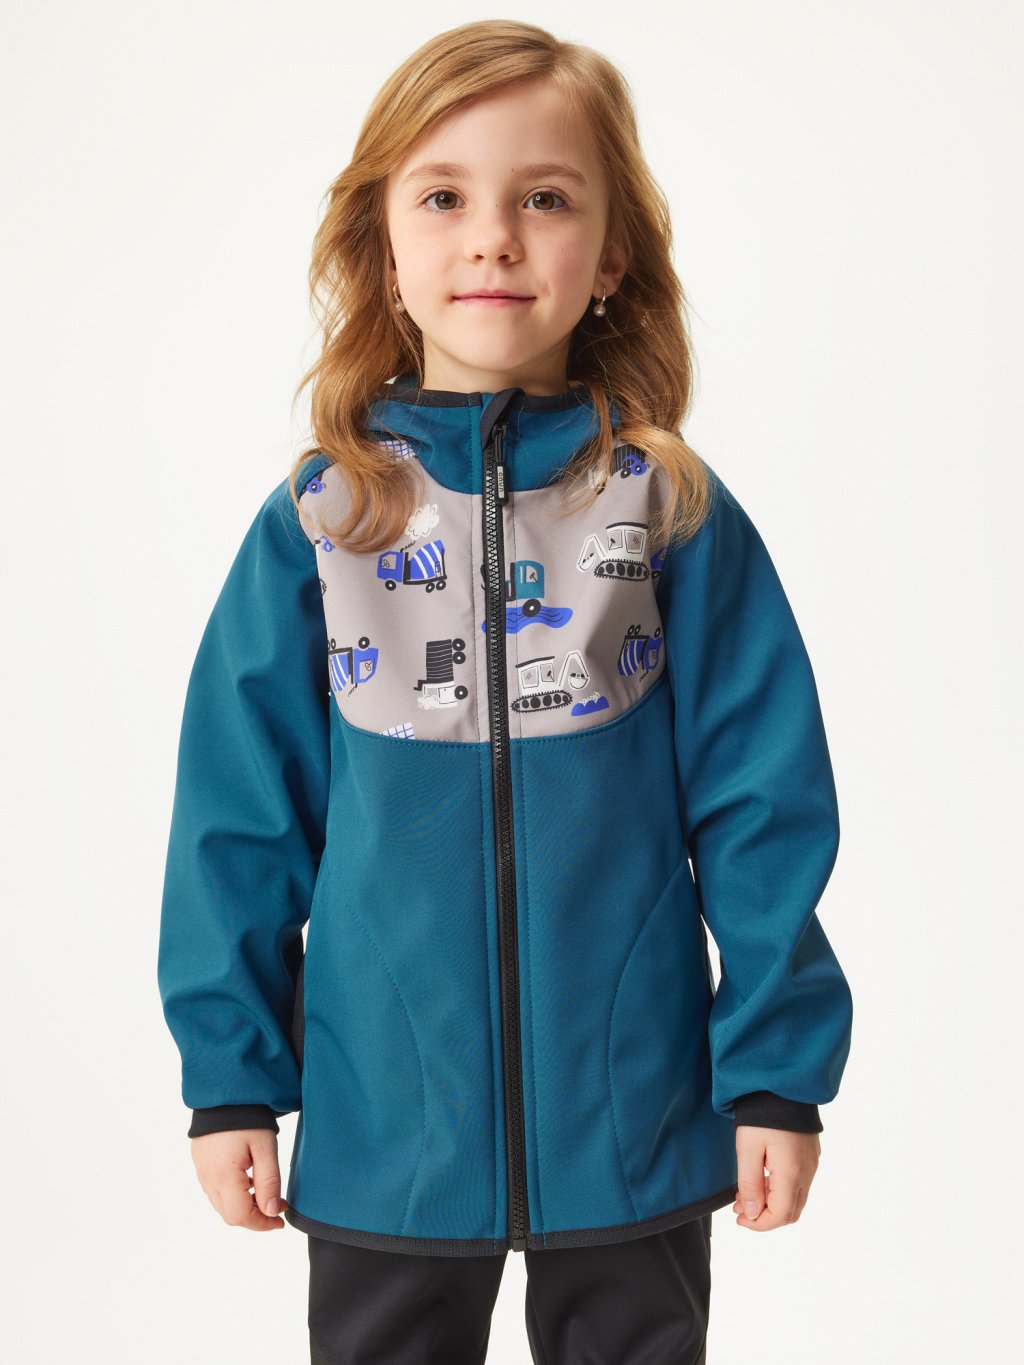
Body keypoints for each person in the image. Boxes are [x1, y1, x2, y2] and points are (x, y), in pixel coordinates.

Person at [157, 18, 853, 1365]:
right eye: (444, 198)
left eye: (544, 198)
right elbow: (237, 819)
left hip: (634, 1105)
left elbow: (765, 803)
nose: (492, 238)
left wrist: (774, 1071)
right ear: (384, 251)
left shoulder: (664, 508)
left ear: (612, 254)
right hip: (387, 1117)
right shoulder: (326, 522)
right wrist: (231, 1077)